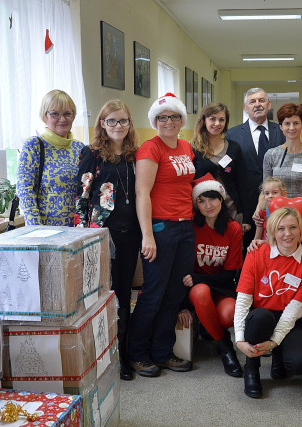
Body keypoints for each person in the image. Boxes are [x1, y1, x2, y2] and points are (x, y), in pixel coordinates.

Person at [127, 93, 196, 377]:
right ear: (154, 121)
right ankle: (138, 354)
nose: (169, 121)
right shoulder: (150, 148)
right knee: (153, 293)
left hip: (185, 226)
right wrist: (147, 236)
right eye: (162, 117)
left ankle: (162, 352)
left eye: (174, 116)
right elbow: (142, 192)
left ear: (182, 120)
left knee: (174, 292)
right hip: (160, 226)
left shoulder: (186, 147)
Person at [75, 99, 140, 381]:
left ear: (129, 123)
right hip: (103, 234)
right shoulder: (92, 154)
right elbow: (82, 196)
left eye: (122, 121)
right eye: (111, 121)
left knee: (124, 292)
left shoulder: (135, 154)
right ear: (102, 124)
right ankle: (103, 351)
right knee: (104, 292)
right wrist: (84, 233)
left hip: (132, 232)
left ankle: (123, 354)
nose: (117, 126)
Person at [234, 207, 302, 398]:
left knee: (300, 364)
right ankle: (252, 367)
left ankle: (279, 356)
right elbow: (243, 300)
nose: (287, 234)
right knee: (261, 317)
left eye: (292, 227)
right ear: (272, 232)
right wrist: (239, 339)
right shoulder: (257, 252)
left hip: (288, 315)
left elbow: (296, 308)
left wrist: (274, 342)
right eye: (281, 229)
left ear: (301, 230)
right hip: (260, 315)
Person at [179, 174, 244, 377]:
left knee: (230, 314)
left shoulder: (233, 228)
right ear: (196, 204)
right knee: (200, 291)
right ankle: (226, 348)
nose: (208, 205)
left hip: (220, 286)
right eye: (202, 200)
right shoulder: (191, 227)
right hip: (196, 291)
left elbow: (228, 276)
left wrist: (198, 278)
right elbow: (180, 271)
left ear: (221, 200)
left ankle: (210, 327)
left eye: (212, 198)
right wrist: (180, 306)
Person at [225, 88, 285, 248]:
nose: (257, 105)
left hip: (277, 204)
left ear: (268, 104)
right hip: (245, 206)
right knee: (247, 251)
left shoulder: (282, 131)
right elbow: (228, 171)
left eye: (261, 100)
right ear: (246, 107)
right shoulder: (232, 135)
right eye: (252, 101)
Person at [17, 89, 84, 226]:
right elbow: (25, 191)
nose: (62, 119)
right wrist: (37, 230)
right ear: (44, 116)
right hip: (46, 232)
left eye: (67, 114)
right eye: (55, 114)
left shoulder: (81, 148)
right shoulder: (33, 146)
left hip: (78, 231)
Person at [262, 103, 302, 235]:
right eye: (287, 123)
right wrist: (259, 209)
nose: (291, 127)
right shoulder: (271, 155)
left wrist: (300, 210)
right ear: (280, 127)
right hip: (277, 220)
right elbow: (265, 190)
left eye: (296, 123)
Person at [191, 102, 245, 227]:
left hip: (232, 209)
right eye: (212, 119)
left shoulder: (234, 148)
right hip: (205, 211)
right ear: (204, 120)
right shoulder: (193, 149)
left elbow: (241, 182)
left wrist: (245, 214)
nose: (217, 123)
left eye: (222, 120)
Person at [253, 176, 287, 242]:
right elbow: (257, 237)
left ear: (284, 194)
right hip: (265, 249)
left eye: (275, 192)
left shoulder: (288, 214)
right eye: (267, 193)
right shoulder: (262, 214)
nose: (270, 196)